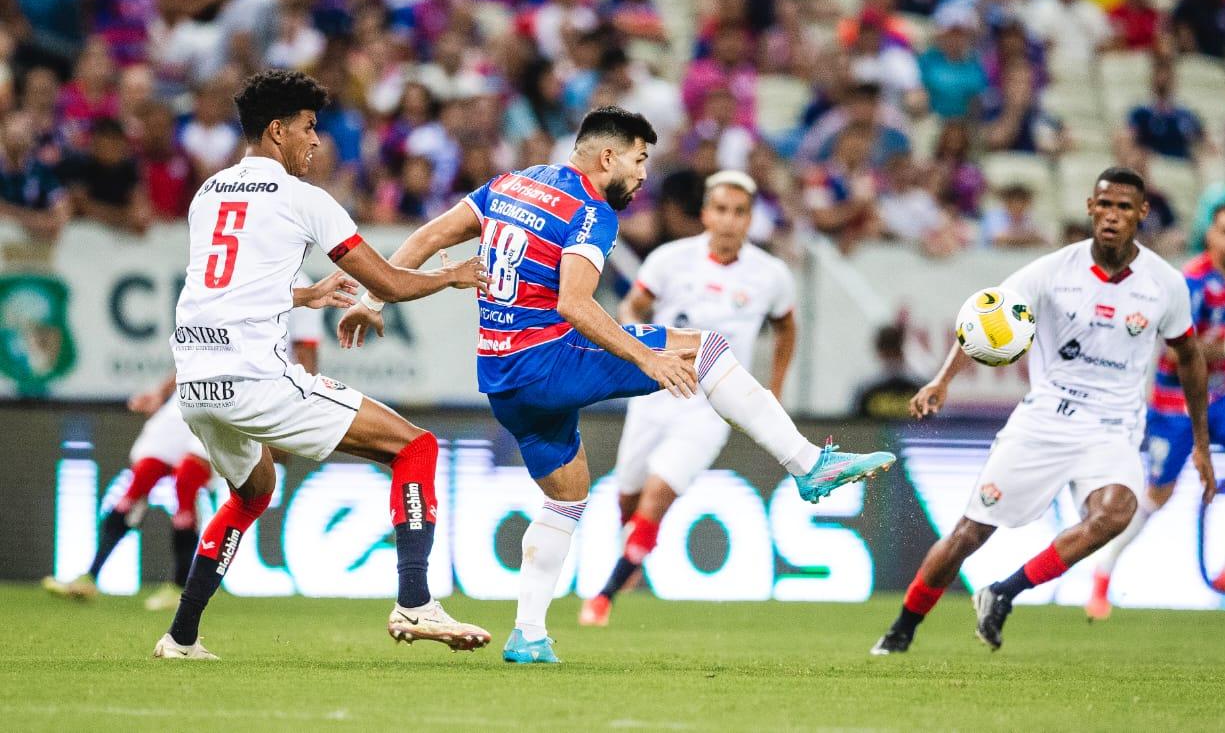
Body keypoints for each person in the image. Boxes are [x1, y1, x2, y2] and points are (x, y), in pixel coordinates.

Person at [338, 106, 896, 664]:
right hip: (546, 358)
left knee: (568, 493)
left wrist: (372, 298)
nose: (643, 173)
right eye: (639, 157)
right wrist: (646, 359)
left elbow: (430, 236)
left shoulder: (512, 184)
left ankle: (527, 634)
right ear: (607, 156)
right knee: (705, 348)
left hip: (500, 376)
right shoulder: (590, 210)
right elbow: (574, 304)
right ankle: (807, 464)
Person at [152, 69, 492, 661]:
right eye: (309, 128)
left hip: (196, 382)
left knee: (253, 492)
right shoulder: (303, 199)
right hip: (254, 378)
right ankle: (415, 602)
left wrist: (304, 297)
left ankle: (180, 637)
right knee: (415, 448)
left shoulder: (209, 193)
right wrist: (452, 274)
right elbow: (385, 280)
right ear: (277, 131)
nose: (317, 141)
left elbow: (227, 287)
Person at [871, 167, 1215, 655]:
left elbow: (1190, 358)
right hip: (1046, 419)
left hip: (1114, 427)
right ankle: (902, 627)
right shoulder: (1054, 270)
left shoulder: (1166, 284)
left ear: (1142, 213)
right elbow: (986, 315)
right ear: (1090, 208)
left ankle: (1004, 592)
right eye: (1105, 205)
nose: (1113, 216)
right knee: (970, 533)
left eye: (1124, 207)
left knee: (1116, 512)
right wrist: (942, 380)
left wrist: (1201, 444)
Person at [41, 273, 342, 611]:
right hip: (195, 386)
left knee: (188, 477)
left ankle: (179, 584)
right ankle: (90, 576)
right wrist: (161, 392)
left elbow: (305, 356)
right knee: (144, 473)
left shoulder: (299, 282)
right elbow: (200, 346)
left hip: (246, 394)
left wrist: (296, 416)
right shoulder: (227, 268)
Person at [578, 171, 799, 627]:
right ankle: (634, 549)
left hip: (711, 405)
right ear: (705, 213)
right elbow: (633, 307)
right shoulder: (670, 260)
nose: (729, 221)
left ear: (750, 219)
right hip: (655, 389)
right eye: (721, 210)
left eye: (739, 213)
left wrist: (774, 387)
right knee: (629, 495)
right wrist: (632, 340)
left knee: (658, 496)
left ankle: (604, 596)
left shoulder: (771, 275)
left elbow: (786, 329)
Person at [1087, 204, 1225, 616]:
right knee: (1158, 494)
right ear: (1211, 236)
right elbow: (1176, 352)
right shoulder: (1191, 283)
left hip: (1222, 395)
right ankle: (1104, 569)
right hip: (1176, 402)